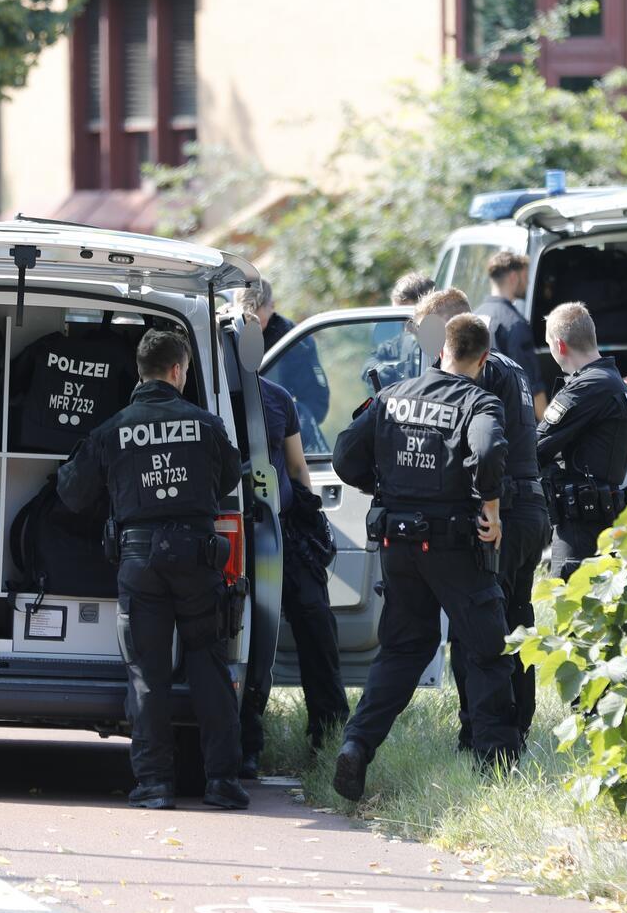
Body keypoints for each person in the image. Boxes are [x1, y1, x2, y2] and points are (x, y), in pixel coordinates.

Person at [57, 329, 248, 812]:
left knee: (147, 673)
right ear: (179, 370)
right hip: (197, 559)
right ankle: (223, 781)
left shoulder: (113, 429)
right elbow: (229, 479)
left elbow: (72, 493)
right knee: (208, 662)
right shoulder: (205, 425)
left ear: (141, 371)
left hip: (139, 560)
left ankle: (154, 785)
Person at [329, 313, 514, 801]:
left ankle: (356, 744)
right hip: (454, 546)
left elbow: (346, 455)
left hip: (399, 546)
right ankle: (496, 773)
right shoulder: (480, 400)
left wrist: (388, 487)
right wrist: (490, 509)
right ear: (484, 358)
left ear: (442, 350)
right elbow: (489, 447)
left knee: (403, 651)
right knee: (488, 651)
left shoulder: (392, 396)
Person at [413, 286, 550, 749]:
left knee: (479, 630)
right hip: (529, 508)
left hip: (503, 513)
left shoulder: (478, 372)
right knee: (515, 621)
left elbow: (479, 452)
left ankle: (482, 735)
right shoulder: (506, 365)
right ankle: (518, 727)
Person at [237, 370, 346, 775]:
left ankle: (330, 732)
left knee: (317, 624)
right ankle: (246, 741)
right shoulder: (210, 390)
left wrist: (309, 519)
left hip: (281, 530)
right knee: (245, 637)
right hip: (234, 531)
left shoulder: (278, 397)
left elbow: (298, 466)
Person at [537, 302, 627, 579]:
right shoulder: (613, 380)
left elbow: (537, 446)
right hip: (599, 517)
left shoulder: (589, 386)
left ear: (560, 345)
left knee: (568, 610)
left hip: (580, 527)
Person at [236, 279, 328, 442]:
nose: (253, 326)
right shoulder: (222, 330)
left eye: (257, 319)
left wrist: (289, 428)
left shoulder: (295, 341)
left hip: (281, 430)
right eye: (246, 320)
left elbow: (316, 402)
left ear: (271, 306)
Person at [477, 249, 548, 419]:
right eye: (525, 277)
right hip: (509, 421)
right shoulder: (514, 323)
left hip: (479, 414)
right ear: (513, 277)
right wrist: (549, 428)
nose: (528, 282)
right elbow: (531, 383)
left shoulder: (474, 315)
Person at [360, 272, 435, 392]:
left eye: (410, 318)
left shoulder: (449, 345)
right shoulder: (404, 342)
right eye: (399, 319)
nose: (405, 327)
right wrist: (378, 369)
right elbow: (369, 362)